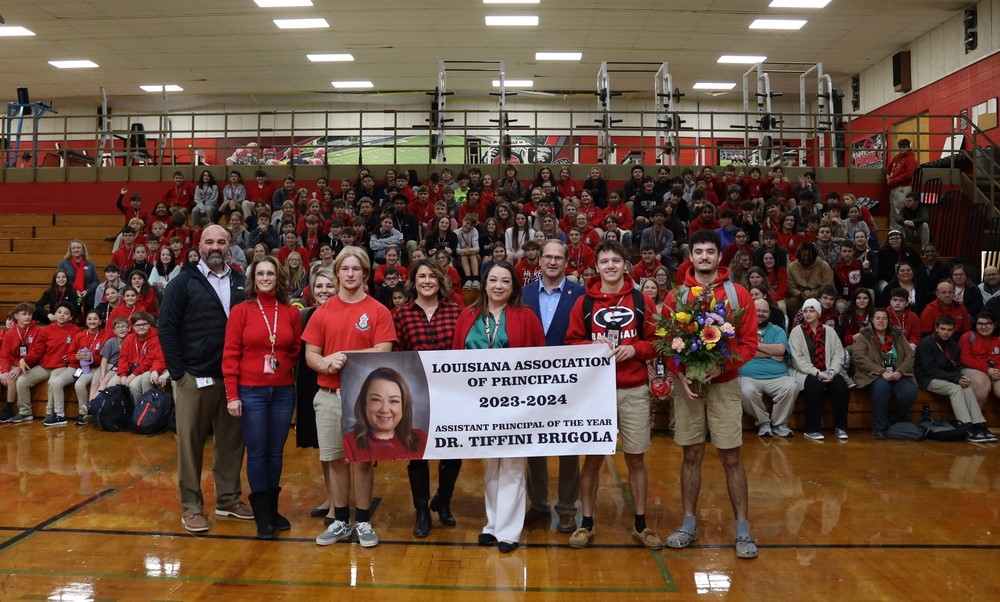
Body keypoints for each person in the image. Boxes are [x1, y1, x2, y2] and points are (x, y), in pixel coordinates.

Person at [659, 230, 759, 559]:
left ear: (719, 256)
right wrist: (679, 374)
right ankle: (688, 524)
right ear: (692, 256)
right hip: (689, 386)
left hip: (725, 384)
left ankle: (743, 530)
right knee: (691, 456)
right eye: (698, 251)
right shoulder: (677, 297)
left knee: (731, 457)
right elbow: (667, 343)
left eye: (710, 251)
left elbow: (748, 344)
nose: (704, 256)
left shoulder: (737, 293)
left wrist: (724, 368)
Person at [564, 240, 664, 551]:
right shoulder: (583, 303)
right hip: (596, 394)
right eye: (604, 260)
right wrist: (595, 349)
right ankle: (587, 524)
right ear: (596, 266)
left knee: (636, 458)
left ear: (625, 264)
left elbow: (657, 342)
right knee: (592, 459)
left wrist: (635, 348)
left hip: (633, 389)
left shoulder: (641, 300)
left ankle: (640, 525)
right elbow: (570, 342)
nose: (610, 265)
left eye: (616, 260)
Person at [159, 224, 253, 533]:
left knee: (230, 443)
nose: (216, 247)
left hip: (232, 380)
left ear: (230, 246)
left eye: (222, 242)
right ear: (199, 245)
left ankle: (227, 499)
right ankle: (191, 507)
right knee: (190, 446)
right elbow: (167, 330)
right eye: (210, 241)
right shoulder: (182, 282)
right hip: (194, 379)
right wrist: (178, 375)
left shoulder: (242, 281)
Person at [303, 247, 396, 548]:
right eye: (345, 269)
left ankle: (364, 521)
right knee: (335, 460)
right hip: (329, 395)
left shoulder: (378, 310)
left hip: (365, 397)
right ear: (338, 272)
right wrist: (324, 363)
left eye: (357, 269)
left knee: (363, 460)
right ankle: (341, 519)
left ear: (365, 273)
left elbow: (384, 351)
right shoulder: (323, 311)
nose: (350, 274)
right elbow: (311, 355)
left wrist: (344, 356)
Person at [452, 261, 544, 553]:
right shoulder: (467, 315)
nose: (499, 286)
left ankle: (509, 531)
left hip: (516, 402)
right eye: (493, 280)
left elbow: (540, 359)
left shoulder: (525, 316)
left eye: (505, 281)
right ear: (485, 283)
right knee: (491, 464)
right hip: (477, 404)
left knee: (514, 464)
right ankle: (491, 524)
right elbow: (455, 358)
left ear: (513, 286)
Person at [222, 256, 303, 539]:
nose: (266, 278)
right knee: (257, 452)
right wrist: (232, 394)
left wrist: (277, 364)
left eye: (270, 273)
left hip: (282, 392)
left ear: (277, 277)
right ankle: (262, 516)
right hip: (251, 391)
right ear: (253, 280)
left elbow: (293, 350)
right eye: (260, 274)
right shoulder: (241, 311)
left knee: (276, 451)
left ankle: (273, 508)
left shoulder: (290, 312)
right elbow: (230, 354)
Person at [393, 259, 463, 538]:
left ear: (440, 280)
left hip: (451, 395)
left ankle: (443, 500)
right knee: (418, 455)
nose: (427, 281)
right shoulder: (401, 314)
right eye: (421, 276)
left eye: (432, 276)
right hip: (416, 394)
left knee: (454, 454)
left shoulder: (456, 311)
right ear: (413, 281)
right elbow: (396, 354)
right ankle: (422, 511)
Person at [522, 240, 586, 534]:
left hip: (570, 383)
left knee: (568, 444)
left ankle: (567, 508)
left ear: (566, 262)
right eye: (547, 256)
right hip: (529, 382)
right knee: (533, 444)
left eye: (557, 258)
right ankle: (538, 503)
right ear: (538, 260)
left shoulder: (580, 294)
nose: (551, 262)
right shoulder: (522, 293)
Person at [295, 268, 337, 520]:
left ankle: (339, 502)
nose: (324, 291)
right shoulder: (304, 315)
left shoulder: (345, 313)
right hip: (310, 382)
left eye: (329, 286)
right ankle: (331, 496)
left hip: (338, 382)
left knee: (340, 447)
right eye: (319, 286)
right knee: (323, 445)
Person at [915, 316, 996, 442]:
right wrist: (955, 379)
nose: (946, 332)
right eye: (943, 329)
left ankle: (979, 424)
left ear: (953, 331)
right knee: (955, 389)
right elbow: (931, 371)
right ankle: (965, 425)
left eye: (949, 330)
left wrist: (960, 378)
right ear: (936, 328)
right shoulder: (925, 344)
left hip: (946, 378)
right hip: (927, 379)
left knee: (966, 385)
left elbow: (955, 368)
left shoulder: (954, 346)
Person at [849, 308, 918, 439]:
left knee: (909, 391)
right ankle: (879, 428)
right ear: (872, 321)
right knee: (882, 387)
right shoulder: (864, 336)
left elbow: (910, 355)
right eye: (878, 318)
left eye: (884, 318)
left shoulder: (897, 334)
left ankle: (894, 423)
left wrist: (900, 372)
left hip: (898, 374)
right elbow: (859, 357)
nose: (881, 321)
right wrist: (882, 372)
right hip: (873, 375)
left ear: (888, 321)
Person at [789, 298, 851, 441]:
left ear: (818, 313)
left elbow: (838, 354)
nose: (808, 314)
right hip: (805, 373)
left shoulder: (829, 331)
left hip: (828, 371)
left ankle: (840, 426)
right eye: (805, 311)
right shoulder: (796, 332)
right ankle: (811, 428)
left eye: (811, 311)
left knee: (841, 386)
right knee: (814, 384)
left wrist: (833, 371)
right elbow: (797, 359)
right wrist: (817, 373)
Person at [740, 298, 800, 438]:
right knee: (746, 391)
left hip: (778, 376)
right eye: (758, 311)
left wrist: (753, 347)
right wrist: (769, 352)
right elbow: (740, 353)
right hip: (749, 377)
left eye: (764, 311)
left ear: (769, 313)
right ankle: (764, 423)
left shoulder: (777, 330)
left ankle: (779, 424)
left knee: (791, 386)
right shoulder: (742, 328)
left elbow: (780, 350)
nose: (761, 314)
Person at [343, 367, 428, 463]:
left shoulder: (420, 439)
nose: (384, 409)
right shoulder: (348, 443)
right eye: (376, 400)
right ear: (364, 404)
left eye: (394, 401)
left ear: (404, 406)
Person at [16, 303, 79, 426]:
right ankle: (25, 412)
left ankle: (50, 413)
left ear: (70, 317)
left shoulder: (75, 330)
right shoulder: (45, 330)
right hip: (45, 366)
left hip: (62, 366)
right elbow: (37, 351)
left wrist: (72, 356)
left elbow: (79, 348)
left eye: (66, 313)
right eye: (59, 312)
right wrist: (25, 360)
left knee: (53, 382)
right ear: (54, 314)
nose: (62, 315)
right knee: (22, 381)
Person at [0, 304, 41, 423]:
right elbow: (5, 355)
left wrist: (18, 367)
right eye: (24, 314)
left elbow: (36, 353)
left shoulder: (37, 331)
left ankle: (9, 408)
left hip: (31, 364)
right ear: (16, 316)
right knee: (8, 376)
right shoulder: (10, 333)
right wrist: (4, 371)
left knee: (12, 378)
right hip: (15, 363)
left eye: (30, 314)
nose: (27, 317)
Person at [958, 311, 1000, 415]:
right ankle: (975, 419)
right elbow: (966, 358)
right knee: (981, 381)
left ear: (995, 325)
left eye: (988, 323)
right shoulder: (968, 336)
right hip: (972, 369)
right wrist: (987, 370)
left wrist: (997, 372)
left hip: (996, 371)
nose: (983, 327)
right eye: (980, 323)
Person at [57, 240, 100, 314]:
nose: (76, 250)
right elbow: (58, 279)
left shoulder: (90, 264)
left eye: (78, 247)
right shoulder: (63, 264)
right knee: (73, 300)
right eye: (73, 248)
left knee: (91, 299)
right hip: (69, 291)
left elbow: (96, 281)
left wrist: (87, 291)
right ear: (70, 250)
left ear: (83, 249)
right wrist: (74, 290)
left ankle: (88, 321)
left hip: (87, 292)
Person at [886, 139, 918, 230]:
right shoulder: (897, 157)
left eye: (904, 147)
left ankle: (899, 233)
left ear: (908, 147)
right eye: (900, 147)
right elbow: (889, 166)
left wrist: (891, 180)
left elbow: (908, 175)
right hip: (895, 187)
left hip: (903, 187)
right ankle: (893, 231)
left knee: (899, 211)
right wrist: (888, 176)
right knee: (893, 211)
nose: (902, 149)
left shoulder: (910, 160)